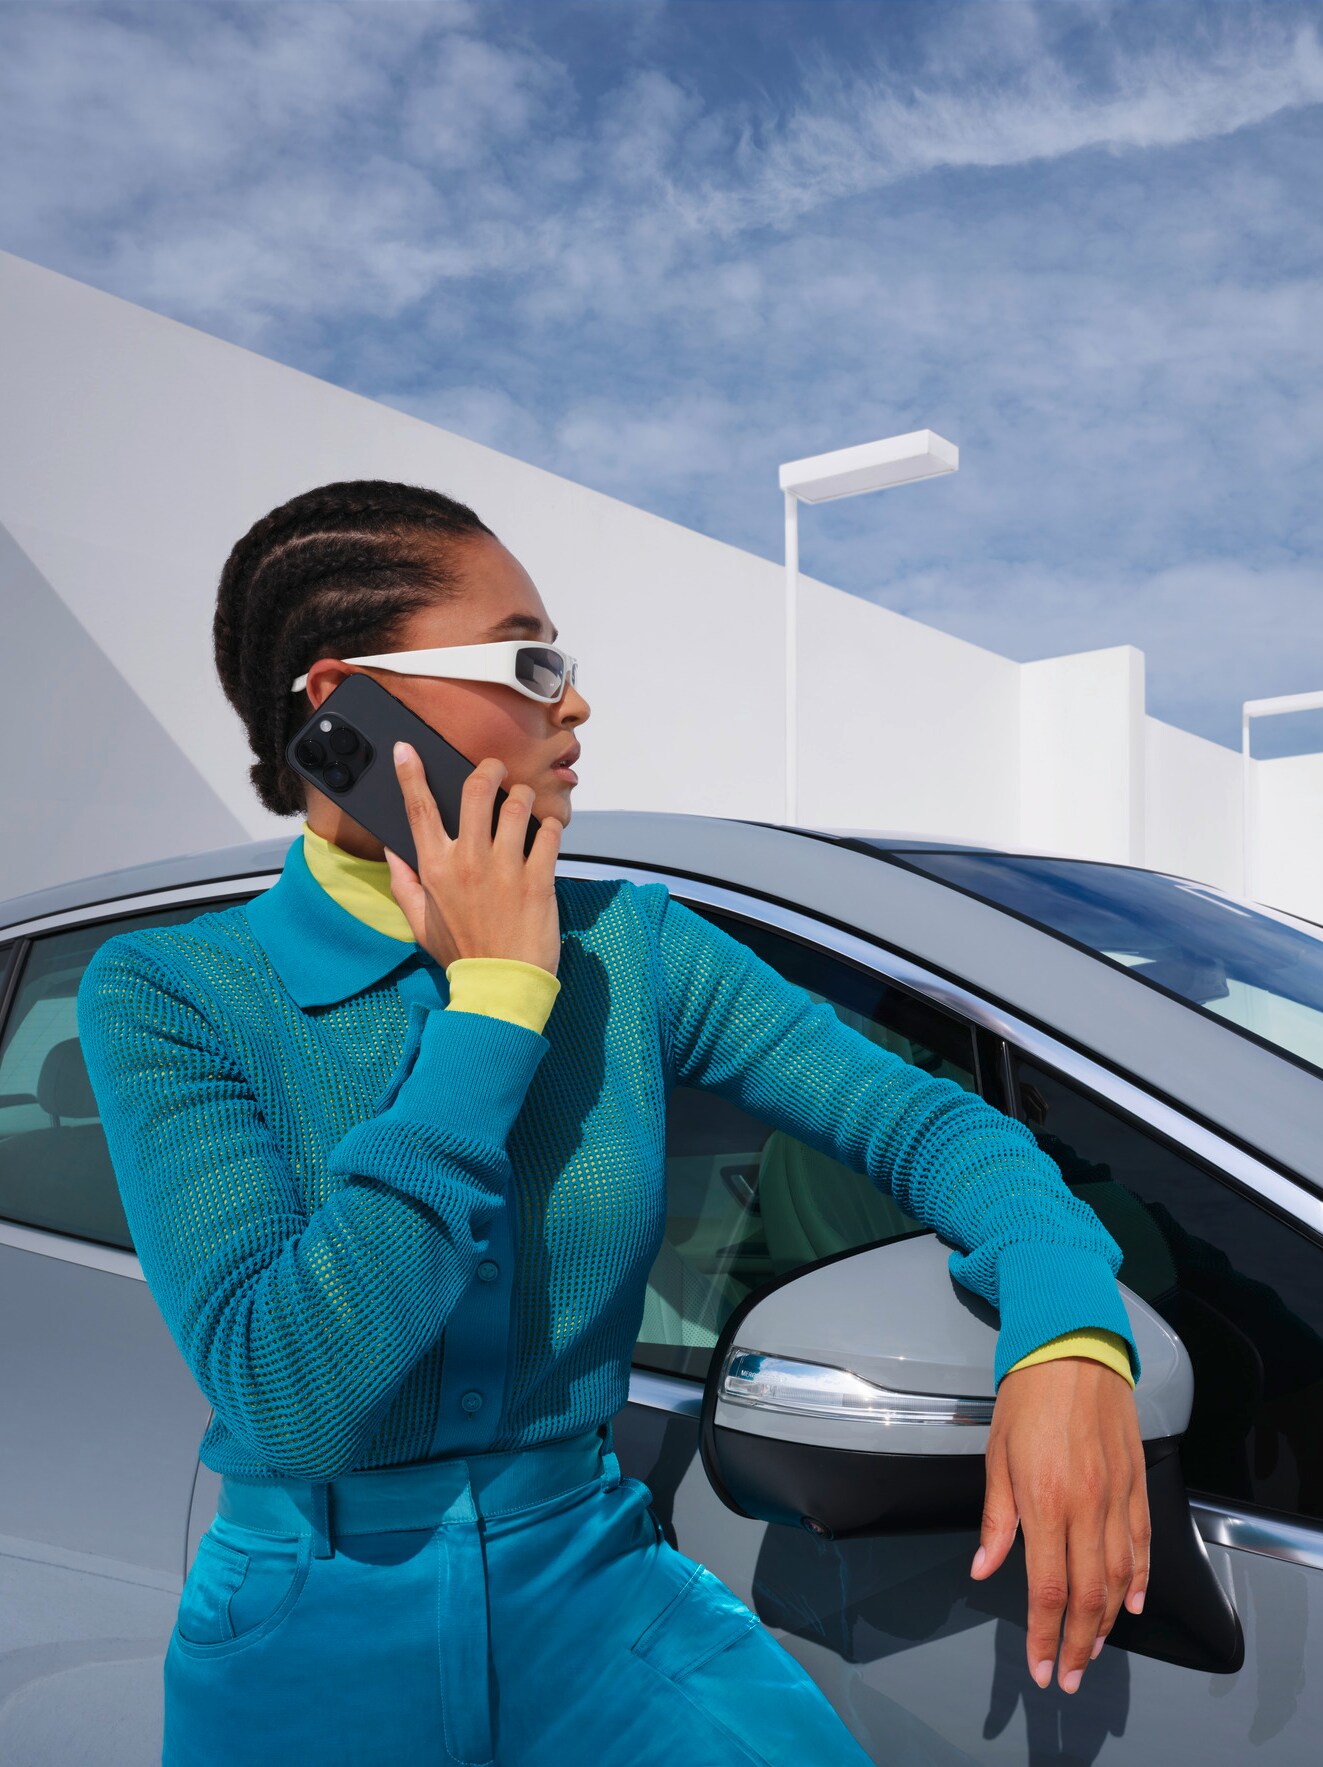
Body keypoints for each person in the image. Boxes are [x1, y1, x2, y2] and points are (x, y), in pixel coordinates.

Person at [76, 480, 1151, 1767]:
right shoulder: (170, 996)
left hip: (601, 1611)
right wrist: (493, 1005)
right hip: (305, 1647)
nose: (572, 704)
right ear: (341, 702)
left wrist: (1069, 1329)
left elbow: (928, 1125)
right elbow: (294, 1392)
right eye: (529, 660)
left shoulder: (632, 953)